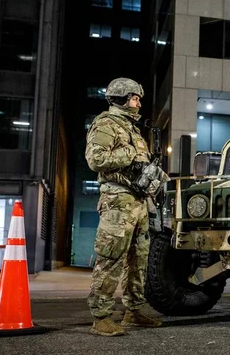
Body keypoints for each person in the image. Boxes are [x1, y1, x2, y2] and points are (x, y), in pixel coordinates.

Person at [85, 77, 164, 336]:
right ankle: (102, 317)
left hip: (138, 201)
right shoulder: (107, 123)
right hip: (117, 201)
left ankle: (133, 311)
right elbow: (96, 159)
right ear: (120, 99)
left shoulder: (132, 129)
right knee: (111, 257)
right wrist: (128, 154)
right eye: (134, 97)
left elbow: (140, 166)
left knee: (138, 259)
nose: (138, 102)